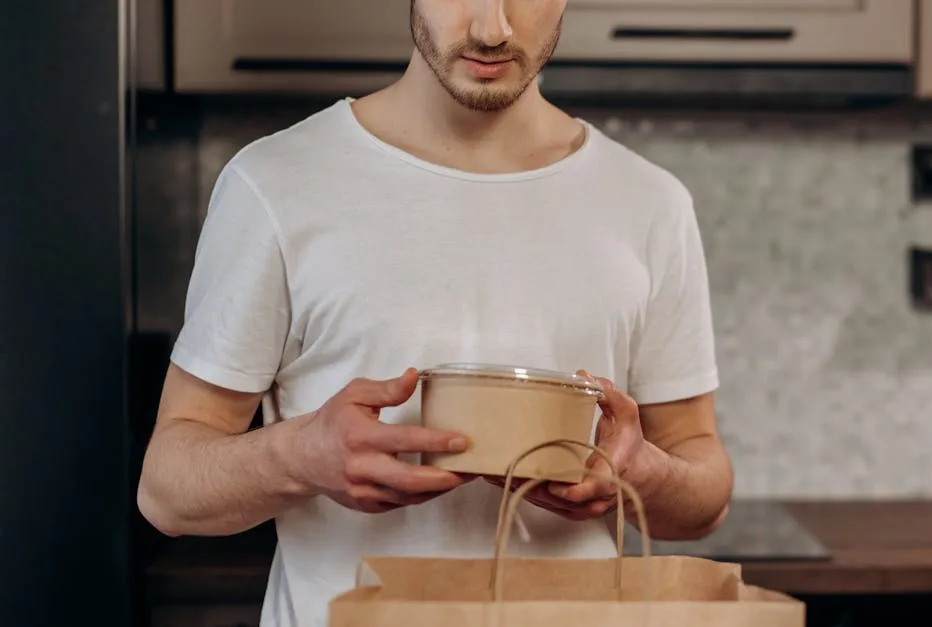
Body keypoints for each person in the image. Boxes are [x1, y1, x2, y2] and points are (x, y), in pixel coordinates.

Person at [136, 1, 734, 626]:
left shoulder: (649, 202)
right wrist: (299, 456)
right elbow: (167, 491)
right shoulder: (275, 184)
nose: (492, 29)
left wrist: (645, 476)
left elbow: (704, 495)